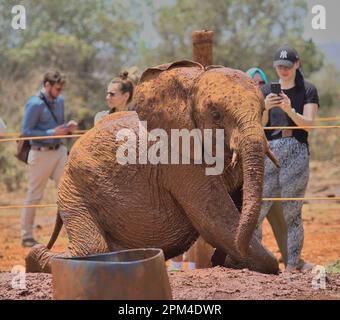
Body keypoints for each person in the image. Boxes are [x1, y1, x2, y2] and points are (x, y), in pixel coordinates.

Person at [257, 46, 320, 272]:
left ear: (297, 64)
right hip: (270, 151)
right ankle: (255, 262)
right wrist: (265, 108)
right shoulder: (265, 91)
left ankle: (292, 265)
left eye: (286, 66)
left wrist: (290, 110)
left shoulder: (308, 89)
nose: (282, 70)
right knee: (258, 208)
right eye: (278, 66)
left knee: (292, 212)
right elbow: (259, 126)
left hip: (296, 148)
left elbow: (310, 125)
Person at [21, 70, 77, 247]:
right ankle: (26, 235)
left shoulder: (60, 101)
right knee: (34, 195)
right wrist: (51, 132)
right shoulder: (34, 103)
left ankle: (75, 234)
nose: (60, 92)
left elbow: (58, 125)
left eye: (61, 89)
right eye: (57, 89)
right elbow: (26, 132)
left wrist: (67, 128)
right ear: (47, 85)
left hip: (59, 151)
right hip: (40, 153)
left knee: (69, 192)